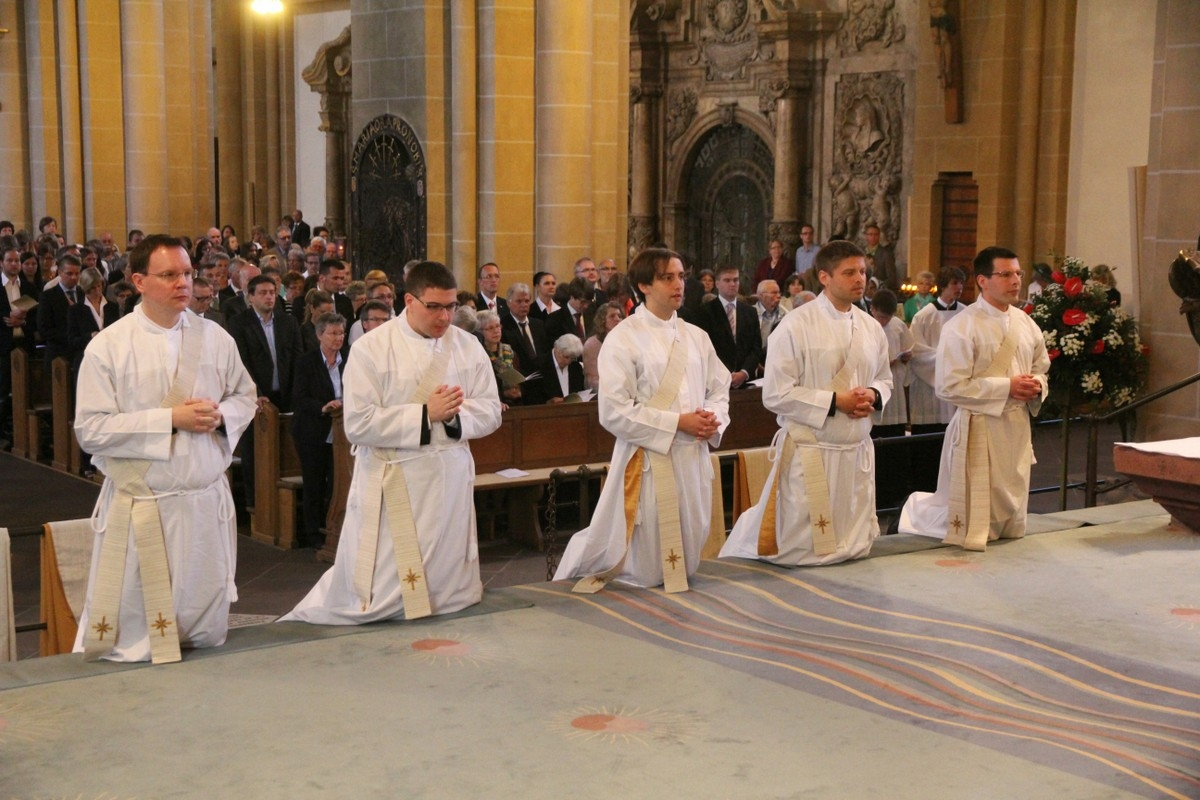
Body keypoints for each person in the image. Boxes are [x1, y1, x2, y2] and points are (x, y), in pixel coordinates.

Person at [281, 261, 502, 624]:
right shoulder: (372, 348)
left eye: (450, 307)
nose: (445, 317)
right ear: (409, 301)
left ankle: (446, 603)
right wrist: (424, 415)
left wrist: (453, 416)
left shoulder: (468, 346)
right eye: (434, 306)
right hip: (396, 479)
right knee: (387, 581)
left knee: (448, 588)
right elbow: (357, 423)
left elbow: (491, 410)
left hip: (449, 476)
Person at [72, 234, 256, 663]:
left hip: (203, 503)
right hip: (146, 505)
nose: (183, 283)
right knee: (138, 640)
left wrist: (221, 415)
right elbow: (91, 430)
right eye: (169, 275)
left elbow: (244, 396)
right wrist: (170, 420)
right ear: (139, 281)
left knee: (202, 637)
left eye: (188, 273)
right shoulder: (109, 346)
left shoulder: (215, 338)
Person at [554, 247, 730, 593]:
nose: (678, 285)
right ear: (644, 286)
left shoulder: (696, 336)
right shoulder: (624, 337)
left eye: (681, 277)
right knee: (646, 568)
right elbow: (613, 410)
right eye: (667, 278)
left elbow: (720, 386)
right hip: (649, 459)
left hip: (692, 456)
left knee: (687, 558)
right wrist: (677, 423)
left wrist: (714, 418)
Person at [720, 240, 892, 567]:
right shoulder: (795, 325)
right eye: (849, 272)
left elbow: (885, 377)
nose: (860, 279)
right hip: (813, 448)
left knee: (852, 549)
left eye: (862, 271)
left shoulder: (871, 327)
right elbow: (775, 393)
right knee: (799, 549)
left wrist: (873, 394)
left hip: (854, 448)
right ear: (824, 277)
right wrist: (835, 401)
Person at [897, 246, 1049, 550]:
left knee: (1010, 524)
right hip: (979, 427)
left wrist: (1036, 385)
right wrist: (1007, 387)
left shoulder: (1025, 322)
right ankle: (912, 514)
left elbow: (1041, 366)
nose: (1016, 281)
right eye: (1005, 274)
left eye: (1018, 273)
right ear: (982, 280)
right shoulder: (962, 326)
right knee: (972, 521)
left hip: (1016, 426)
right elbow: (949, 386)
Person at [907, 266, 967, 491]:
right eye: (954, 283)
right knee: (930, 447)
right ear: (943, 286)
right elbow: (916, 351)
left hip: (958, 387)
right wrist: (947, 360)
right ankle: (926, 489)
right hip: (929, 389)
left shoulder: (966, 313)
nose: (959, 288)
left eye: (961, 283)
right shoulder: (924, 316)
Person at [291, 312, 346, 549]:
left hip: (342, 432)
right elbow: (300, 398)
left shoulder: (350, 358)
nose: (338, 338)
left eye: (341, 333)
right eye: (333, 333)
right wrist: (323, 406)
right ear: (319, 335)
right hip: (312, 430)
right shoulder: (307, 362)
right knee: (314, 483)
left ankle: (335, 529)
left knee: (338, 482)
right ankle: (314, 533)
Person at [692, 265, 761, 389]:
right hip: (715, 381)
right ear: (717, 283)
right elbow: (703, 348)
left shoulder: (750, 312)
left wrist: (744, 372)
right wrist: (724, 374)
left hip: (745, 382)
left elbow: (755, 348)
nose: (732, 284)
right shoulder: (704, 312)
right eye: (727, 280)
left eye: (735, 280)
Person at [476, 309, 524, 410]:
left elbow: (519, 379)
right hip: (492, 406)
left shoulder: (510, 352)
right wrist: (504, 394)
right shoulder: (480, 355)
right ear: (480, 332)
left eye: (498, 326)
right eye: (490, 328)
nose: (496, 331)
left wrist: (517, 390)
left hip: (515, 405)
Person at [582, 301, 625, 390]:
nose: (617, 319)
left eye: (620, 316)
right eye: (612, 316)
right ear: (602, 320)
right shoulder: (592, 344)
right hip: (602, 392)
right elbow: (592, 380)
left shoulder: (627, 341)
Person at [863, 224, 899, 291]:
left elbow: (892, 279)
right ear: (866, 236)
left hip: (879, 291)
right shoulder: (860, 253)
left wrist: (877, 285)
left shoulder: (886, 254)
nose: (873, 237)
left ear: (879, 236)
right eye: (870, 234)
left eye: (875, 234)